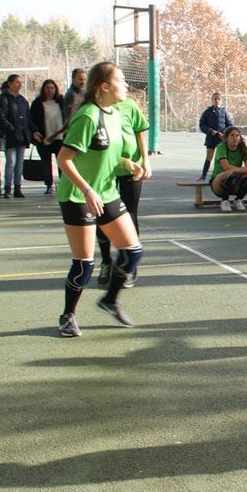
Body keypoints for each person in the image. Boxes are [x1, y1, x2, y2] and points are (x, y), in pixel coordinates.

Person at [54, 62, 145, 337]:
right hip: (77, 195)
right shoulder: (88, 116)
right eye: (121, 80)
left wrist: (127, 164)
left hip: (106, 192)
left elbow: (100, 153)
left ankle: (109, 300)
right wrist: (87, 190)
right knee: (84, 263)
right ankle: (67, 316)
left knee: (133, 252)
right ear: (104, 86)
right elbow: (64, 159)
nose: (126, 85)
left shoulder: (116, 115)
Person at [97, 95, 151, 287]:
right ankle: (106, 261)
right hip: (106, 169)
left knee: (131, 213)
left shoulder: (129, 105)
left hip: (132, 167)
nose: (125, 86)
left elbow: (139, 132)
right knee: (102, 214)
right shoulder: (96, 107)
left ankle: (129, 266)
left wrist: (145, 159)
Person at [0, 74, 33, 198]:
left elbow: (28, 118)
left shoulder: (22, 100)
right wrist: (11, 129)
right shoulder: (2, 99)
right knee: (10, 161)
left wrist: (32, 131)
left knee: (19, 162)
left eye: (20, 82)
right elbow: (0, 118)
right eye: (17, 82)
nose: (19, 84)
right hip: (10, 136)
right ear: (10, 83)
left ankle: (17, 187)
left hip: (21, 136)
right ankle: (7, 188)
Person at [30, 79, 67, 194]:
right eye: (47, 88)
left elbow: (67, 117)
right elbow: (31, 119)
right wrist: (35, 131)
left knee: (61, 162)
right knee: (46, 163)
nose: (50, 90)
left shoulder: (61, 101)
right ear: (43, 89)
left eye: (52, 88)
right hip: (44, 138)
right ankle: (48, 185)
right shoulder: (37, 103)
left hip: (59, 137)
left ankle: (63, 184)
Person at [209, 126, 247, 212]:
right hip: (218, 183)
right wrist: (241, 170)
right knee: (230, 173)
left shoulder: (243, 148)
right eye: (232, 135)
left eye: (237, 135)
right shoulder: (221, 147)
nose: (235, 138)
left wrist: (236, 170)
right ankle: (225, 201)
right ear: (226, 138)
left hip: (235, 180)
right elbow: (226, 167)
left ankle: (238, 199)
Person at [198, 92, 234, 181]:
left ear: (221, 101)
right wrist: (210, 131)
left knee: (224, 158)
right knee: (208, 158)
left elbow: (230, 125)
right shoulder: (207, 112)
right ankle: (203, 176)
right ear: (212, 100)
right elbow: (202, 125)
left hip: (222, 139)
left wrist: (225, 134)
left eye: (218, 99)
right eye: (215, 99)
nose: (217, 101)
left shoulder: (224, 112)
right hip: (211, 139)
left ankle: (228, 175)